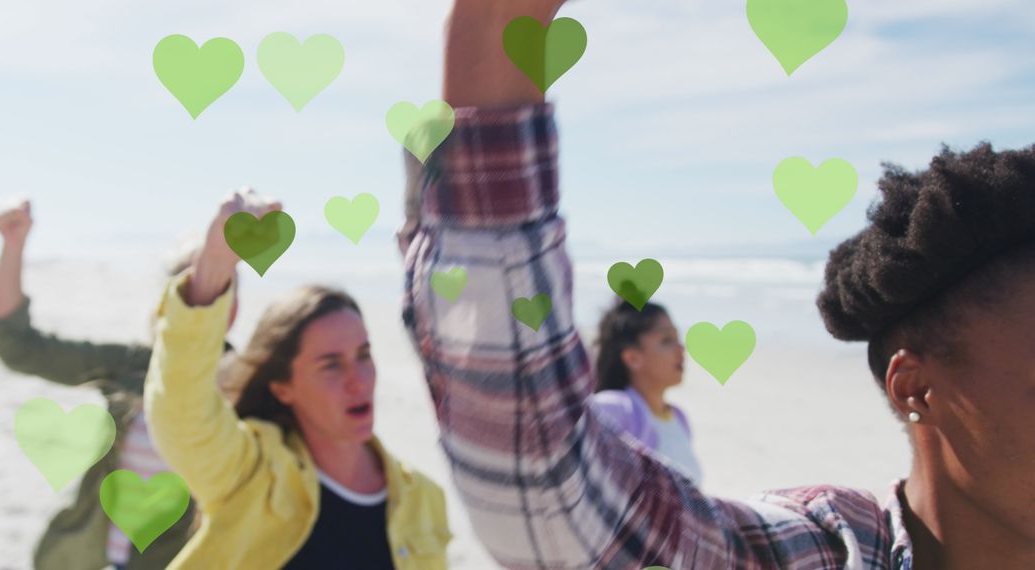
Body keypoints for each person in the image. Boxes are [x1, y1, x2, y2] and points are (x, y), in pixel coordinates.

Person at [396, 0, 1035, 568]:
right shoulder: (829, 550)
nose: (681, 354)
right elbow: (555, 498)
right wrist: (500, 24)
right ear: (915, 387)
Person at [143, 190, 451, 569]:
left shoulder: (422, 498)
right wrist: (213, 269)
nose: (358, 380)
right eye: (330, 365)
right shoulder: (255, 475)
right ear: (282, 387)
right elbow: (181, 415)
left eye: (363, 356)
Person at [0, 198, 239, 570]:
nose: (208, 292)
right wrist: (13, 243)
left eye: (223, 281)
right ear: (167, 298)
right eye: (193, 280)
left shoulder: (249, 380)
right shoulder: (130, 366)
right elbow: (19, 348)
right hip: (94, 557)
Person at [589, 300, 703, 485]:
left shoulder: (679, 418)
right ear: (633, 358)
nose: (681, 349)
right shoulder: (613, 407)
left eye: (677, 338)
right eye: (667, 340)